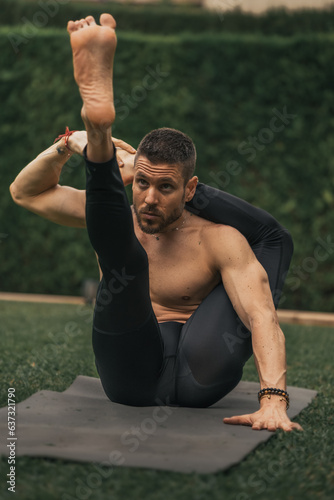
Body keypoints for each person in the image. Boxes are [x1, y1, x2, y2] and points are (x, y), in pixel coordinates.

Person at [10, 14, 302, 432]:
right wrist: (65, 145)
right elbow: (25, 192)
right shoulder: (122, 217)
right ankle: (97, 130)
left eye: (165, 187)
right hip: (129, 374)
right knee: (119, 253)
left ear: (191, 190)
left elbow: (261, 316)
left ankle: (99, 139)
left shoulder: (218, 239)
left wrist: (273, 399)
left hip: (200, 376)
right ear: (131, 176)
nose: (149, 197)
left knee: (127, 247)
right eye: (141, 181)